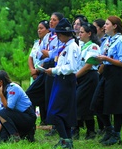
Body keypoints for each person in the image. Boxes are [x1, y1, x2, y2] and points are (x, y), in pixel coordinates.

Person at [90, 16, 122, 146]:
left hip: (117, 74)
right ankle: (109, 129)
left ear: (114, 26)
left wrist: (107, 58)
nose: (104, 26)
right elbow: (103, 57)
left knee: (116, 106)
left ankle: (116, 135)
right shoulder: (107, 41)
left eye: (107, 24)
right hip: (106, 73)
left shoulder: (121, 42)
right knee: (96, 103)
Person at [45, 18, 81, 149]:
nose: (57, 36)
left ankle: (65, 139)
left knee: (55, 112)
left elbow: (70, 67)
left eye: (59, 34)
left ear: (64, 34)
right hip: (60, 80)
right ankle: (66, 140)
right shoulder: (65, 46)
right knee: (63, 112)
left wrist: (54, 70)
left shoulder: (72, 47)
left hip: (66, 80)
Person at [27, 12, 64, 135]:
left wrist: (47, 54)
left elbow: (55, 54)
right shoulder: (48, 36)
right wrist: (46, 54)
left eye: (54, 20)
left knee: (51, 96)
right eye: (51, 19)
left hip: (54, 67)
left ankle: (54, 125)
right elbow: (38, 52)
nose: (51, 22)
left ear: (60, 22)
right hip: (44, 68)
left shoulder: (61, 37)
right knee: (30, 94)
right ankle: (30, 121)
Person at [73, 23, 101, 140]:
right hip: (80, 76)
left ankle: (89, 130)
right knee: (79, 102)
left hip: (89, 77)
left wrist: (75, 77)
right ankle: (79, 130)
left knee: (81, 101)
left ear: (89, 34)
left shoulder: (93, 47)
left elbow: (89, 65)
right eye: (79, 32)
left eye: (82, 32)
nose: (79, 34)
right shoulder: (81, 46)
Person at [0, 70, 36, 143]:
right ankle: (18, 134)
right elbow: (4, 112)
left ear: (0, 82)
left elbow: (8, 108)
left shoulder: (13, 88)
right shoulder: (3, 90)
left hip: (27, 116)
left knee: (0, 112)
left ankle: (15, 136)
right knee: (0, 140)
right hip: (17, 116)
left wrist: (0, 93)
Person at [28, 20, 49, 126]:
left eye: (41, 28)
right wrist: (32, 71)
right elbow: (30, 57)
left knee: (41, 96)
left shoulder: (49, 42)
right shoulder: (37, 43)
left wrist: (37, 70)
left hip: (44, 72)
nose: (39, 30)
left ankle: (46, 120)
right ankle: (41, 121)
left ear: (48, 29)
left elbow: (49, 58)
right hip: (35, 73)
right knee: (38, 97)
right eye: (38, 28)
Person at [93, 18, 108, 135]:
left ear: (102, 28)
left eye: (95, 28)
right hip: (99, 72)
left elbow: (104, 59)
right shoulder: (96, 41)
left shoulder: (106, 41)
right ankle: (102, 126)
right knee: (97, 101)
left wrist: (98, 72)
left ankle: (106, 128)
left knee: (101, 101)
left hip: (103, 73)